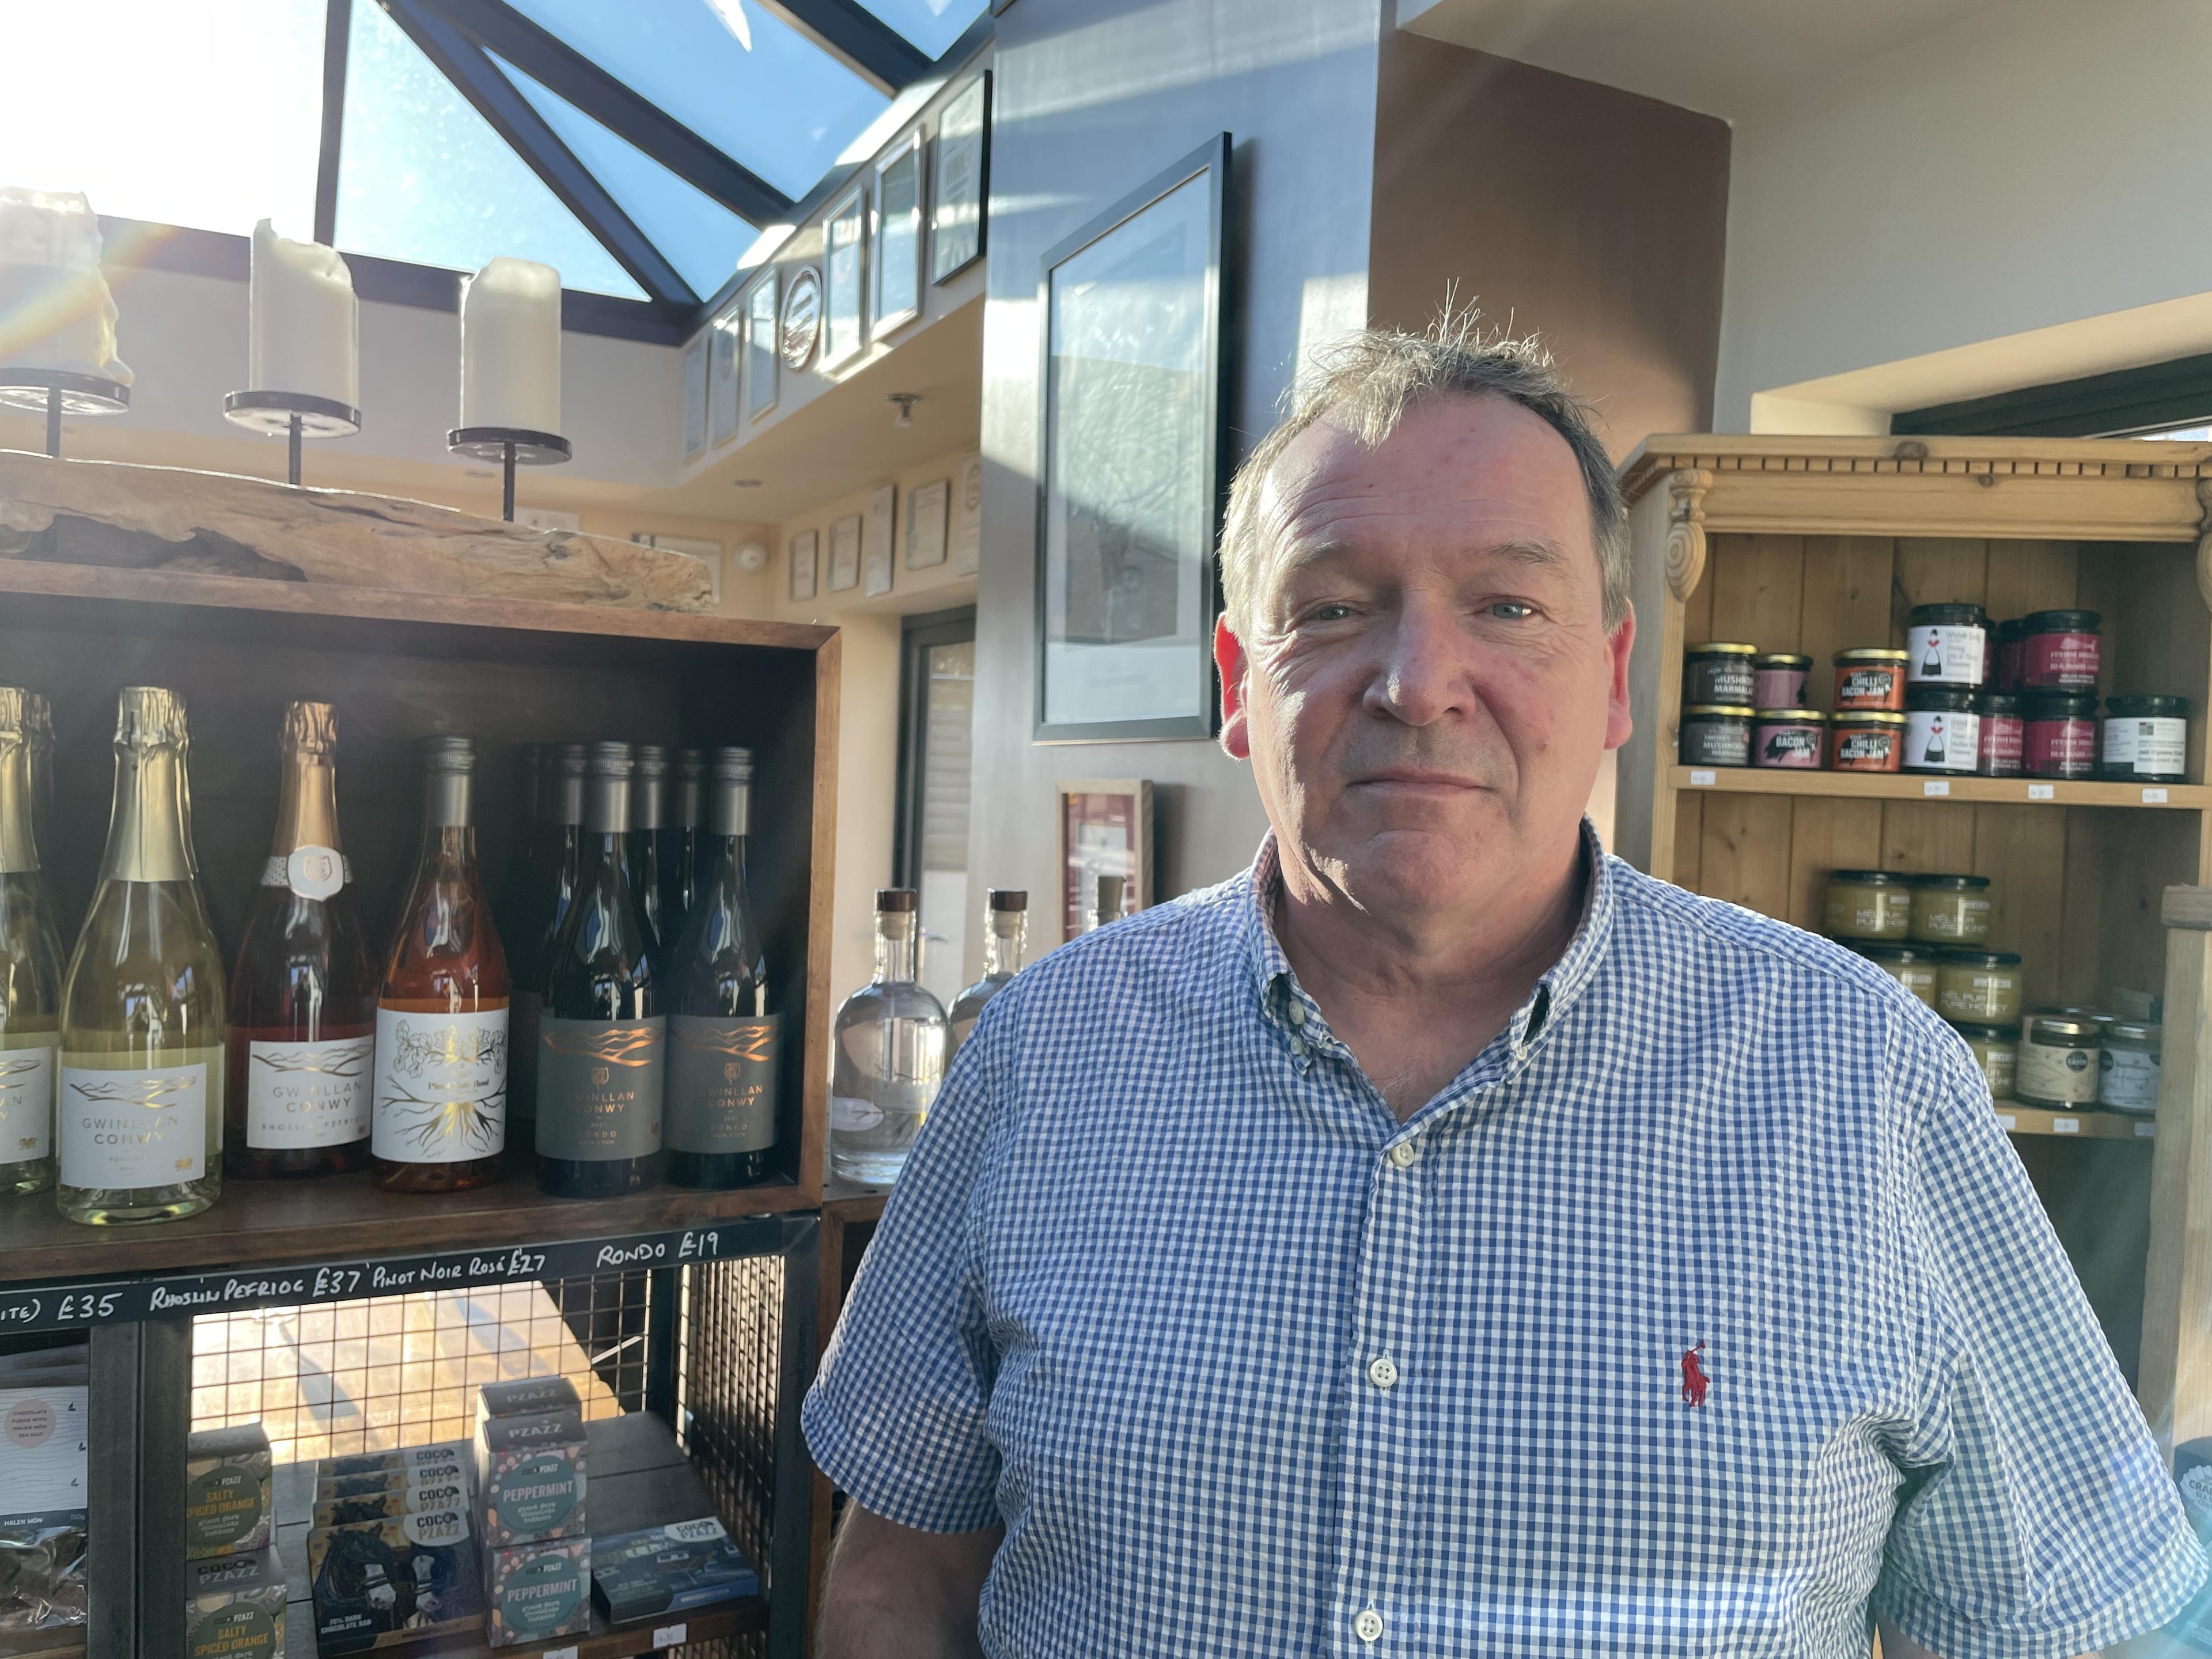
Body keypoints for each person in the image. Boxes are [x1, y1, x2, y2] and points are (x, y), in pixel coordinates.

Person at [803, 316, 2206, 1657]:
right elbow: (904, 1564)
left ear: (1610, 682)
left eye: (1509, 605)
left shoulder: (1873, 1084)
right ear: (1239, 684)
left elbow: (2041, 1624)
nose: (1418, 682)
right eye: (1335, 606)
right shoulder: (1044, 1052)